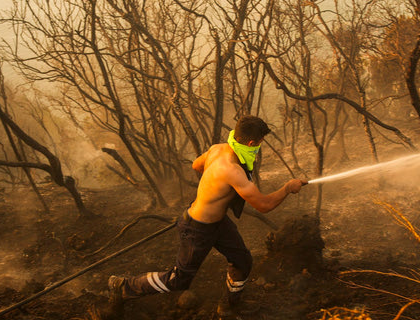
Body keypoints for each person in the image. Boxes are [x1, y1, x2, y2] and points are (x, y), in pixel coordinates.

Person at [106, 115, 307, 318]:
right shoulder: (232, 170)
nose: (259, 147)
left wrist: (212, 191)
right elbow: (264, 205)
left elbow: (196, 165)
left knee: (242, 261)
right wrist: (288, 188)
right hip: (198, 228)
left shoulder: (217, 149)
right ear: (252, 143)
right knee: (179, 280)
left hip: (218, 224)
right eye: (260, 143)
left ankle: (228, 306)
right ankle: (123, 287)